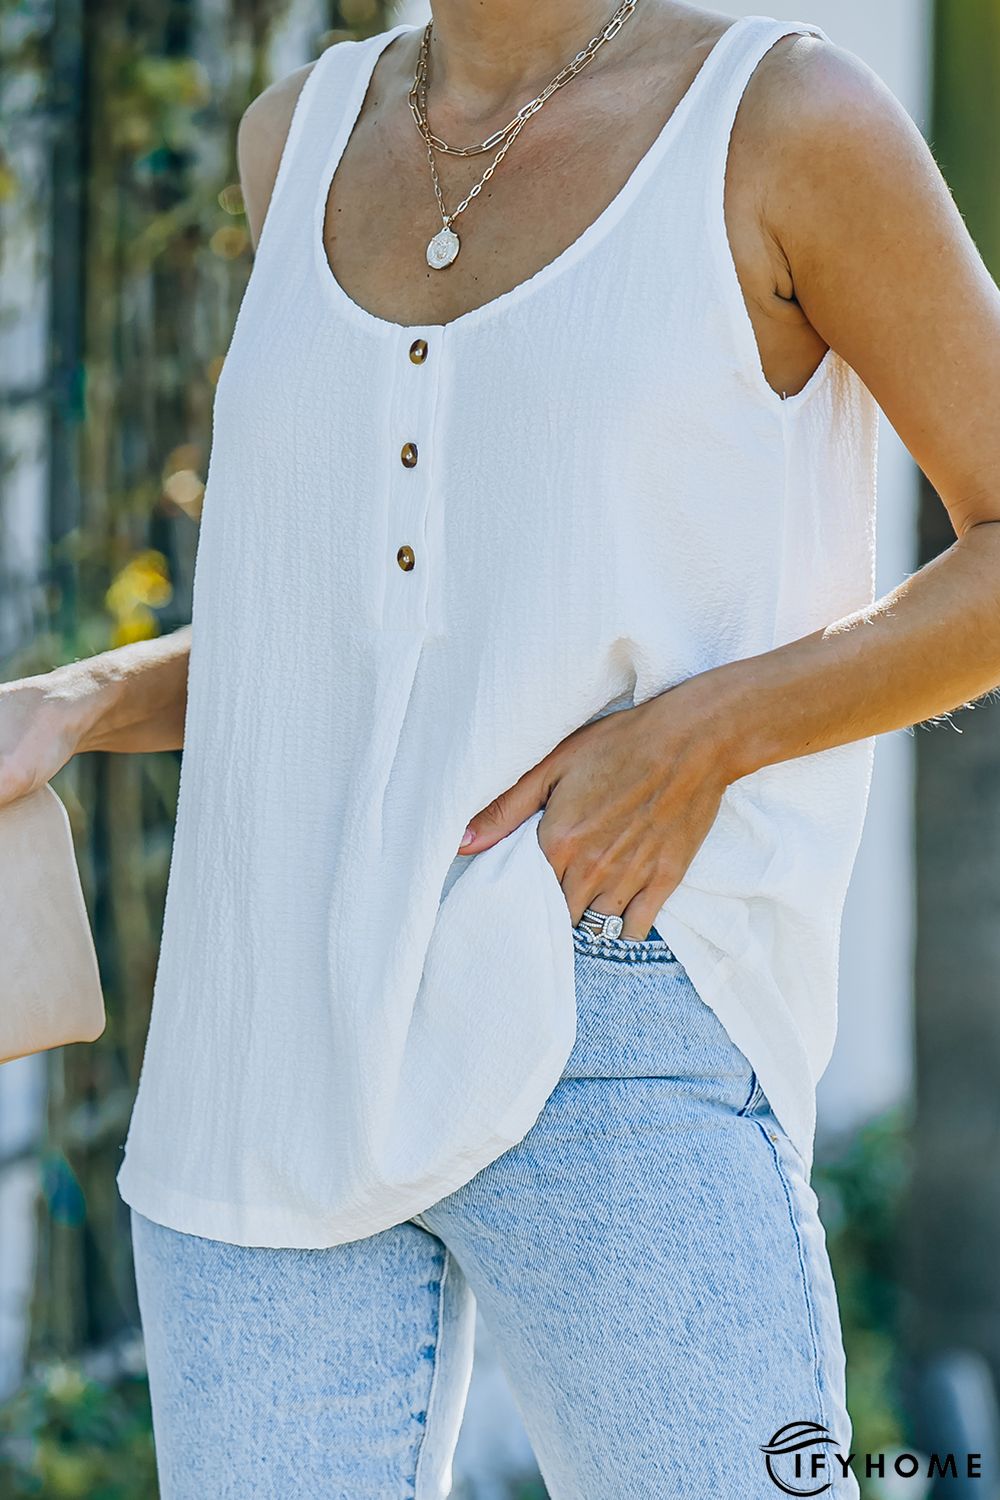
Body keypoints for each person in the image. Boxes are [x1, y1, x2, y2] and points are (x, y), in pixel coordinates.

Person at [3, 2, 1000, 1494]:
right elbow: (369, 639)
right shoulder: (296, 137)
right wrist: (82, 696)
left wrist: (703, 736)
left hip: (612, 976)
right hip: (265, 1026)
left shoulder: (787, 121)